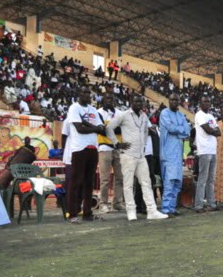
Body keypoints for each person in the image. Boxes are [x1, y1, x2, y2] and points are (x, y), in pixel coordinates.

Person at [105, 95, 168, 221]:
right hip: (127, 155)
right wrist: (116, 144)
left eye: (141, 101)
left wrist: (143, 145)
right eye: (136, 101)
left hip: (141, 156)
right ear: (131, 102)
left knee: (146, 183)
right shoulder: (123, 115)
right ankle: (131, 211)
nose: (139, 103)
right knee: (128, 184)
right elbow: (109, 127)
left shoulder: (144, 116)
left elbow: (145, 132)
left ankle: (152, 210)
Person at [65, 85, 105, 223]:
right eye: (84, 92)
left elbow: (101, 128)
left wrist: (89, 126)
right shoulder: (74, 108)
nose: (87, 95)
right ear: (79, 94)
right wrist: (94, 128)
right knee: (76, 182)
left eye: (89, 92)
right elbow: (79, 129)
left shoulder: (93, 110)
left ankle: (87, 213)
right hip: (79, 148)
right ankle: (72, 213)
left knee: (89, 182)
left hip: (93, 148)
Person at [159, 93, 190, 215]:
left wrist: (177, 129)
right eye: (171, 99)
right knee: (169, 181)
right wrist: (179, 129)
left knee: (177, 182)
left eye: (176, 99)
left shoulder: (181, 115)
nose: (174, 102)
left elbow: (187, 131)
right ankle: (165, 208)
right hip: (167, 153)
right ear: (168, 101)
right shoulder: (164, 113)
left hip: (178, 154)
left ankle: (172, 208)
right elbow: (171, 129)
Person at [97, 92, 125, 214]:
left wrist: (110, 128)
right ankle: (103, 203)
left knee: (120, 177)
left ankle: (117, 203)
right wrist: (115, 128)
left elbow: (123, 128)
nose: (109, 100)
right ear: (103, 100)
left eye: (111, 98)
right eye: (107, 98)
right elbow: (102, 131)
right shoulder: (99, 113)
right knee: (105, 178)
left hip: (118, 148)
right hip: (104, 148)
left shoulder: (119, 113)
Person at [193, 95, 220, 213]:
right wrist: (212, 130)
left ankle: (211, 203)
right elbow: (208, 130)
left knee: (211, 179)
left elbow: (219, 132)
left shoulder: (211, 116)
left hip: (213, 150)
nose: (207, 104)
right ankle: (198, 205)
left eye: (209, 101)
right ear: (201, 103)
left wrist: (212, 130)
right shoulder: (199, 115)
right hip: (204, 150)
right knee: (202, 179)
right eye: (205, 102)